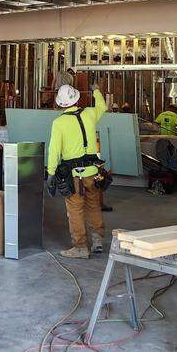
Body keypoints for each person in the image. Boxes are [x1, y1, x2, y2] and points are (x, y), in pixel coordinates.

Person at [47, 82, 108, 259]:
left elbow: (54, 150)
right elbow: (102, 106)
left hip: (73, 175)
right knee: (94, 205)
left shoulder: (59, 123)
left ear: (60, 103)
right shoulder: (89, 114)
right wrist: (96, 90)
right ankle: (97, 240)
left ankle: (81, 247)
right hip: (93, 172)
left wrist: (51, 173)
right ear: (76, 98)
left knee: (75, 210)